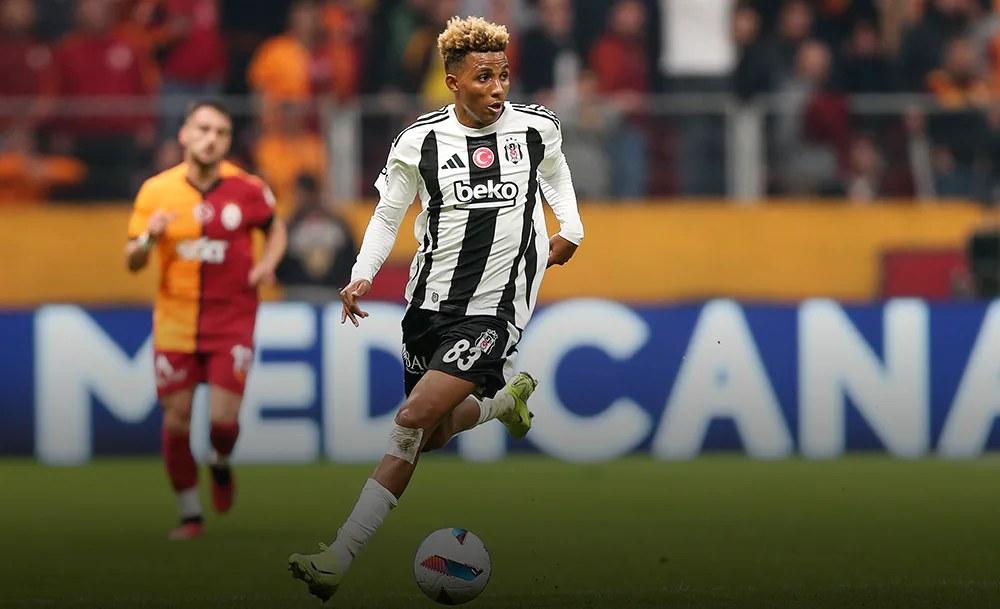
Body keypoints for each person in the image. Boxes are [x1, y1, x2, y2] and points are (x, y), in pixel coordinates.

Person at [287, 15, 584, 601]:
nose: (498, 88)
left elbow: (556, 177)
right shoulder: (418, 141)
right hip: (428, 304)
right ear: (452, 82)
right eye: (483, 78)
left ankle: (338, 557)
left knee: (411, 418)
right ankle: (502, 401)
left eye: (503, 75)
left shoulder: (536, 128)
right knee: (434, 432)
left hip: (495, 308)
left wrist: (570, 228)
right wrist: (362, 273)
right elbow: (387, 215)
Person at [124, 99, 288, 541]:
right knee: (176, 421)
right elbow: (132, 261)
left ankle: (220, 461)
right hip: (176, 321)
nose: (210, 138)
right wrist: (148, 238)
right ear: (184, 134)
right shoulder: (156, 191)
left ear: (228, 141)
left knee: (222, 423)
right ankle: (190, 514)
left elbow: (275, 227)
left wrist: (267, 263)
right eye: (203, 129)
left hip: (232, 320)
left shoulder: (248, 188)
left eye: (220, 132)